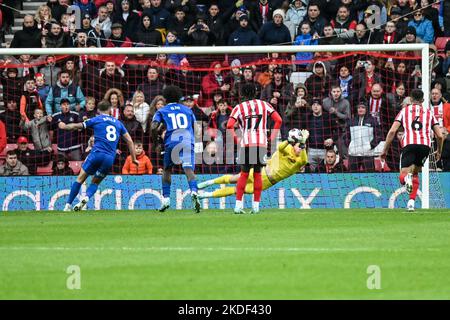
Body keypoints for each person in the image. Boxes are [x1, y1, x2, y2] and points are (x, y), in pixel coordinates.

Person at [59, 100, 138, 211]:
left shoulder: (96, 119)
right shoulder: (118, 123)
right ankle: (86, 197)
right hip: (109, 158)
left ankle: (67, 205)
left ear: (99, 110)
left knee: (80, 179)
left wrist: (64, 126)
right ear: (110, 110)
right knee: (95, 182)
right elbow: (129, 141)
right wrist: (134, 159)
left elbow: (77, 126)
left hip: (96, 154)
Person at [199, 129, 309, 199]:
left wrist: (303, 142)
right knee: (234, 178)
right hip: (260, 172)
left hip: (267, 183)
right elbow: (280, 147)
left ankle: (205, 195)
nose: (299, 149)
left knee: (236, 190)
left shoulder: (300, 161)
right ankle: (208, 182)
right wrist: (288, 141)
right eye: (298, 146)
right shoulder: (287, 148)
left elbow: (304, 160)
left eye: (301, 148)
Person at [380, 89, 444, 211]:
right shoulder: (429, 112)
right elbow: (440, 136)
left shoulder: (404, 111)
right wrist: (439, 152)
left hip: (409, 144)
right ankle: (411, 203)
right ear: (423, 100)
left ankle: (406, 180)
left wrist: (385, 150)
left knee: (403, 175)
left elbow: (392, 131)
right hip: (425, 146)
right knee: (414, 173)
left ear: (410, 99)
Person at [226, 83, 283, 214]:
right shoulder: (265, 105)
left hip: (246, 143)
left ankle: (238, 206)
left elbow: (229, 125)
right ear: (256, 92)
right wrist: (272, 137)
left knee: (244, 174)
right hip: (261, 143)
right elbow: (278, 120)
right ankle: (256, 206)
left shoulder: (239, 107)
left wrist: (237, 139)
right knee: (257, 174)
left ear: (242, 94)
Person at [150, 85, 201, 213]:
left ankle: (166, 199)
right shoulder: (188, 110)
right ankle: (194, 191)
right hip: (187, 141)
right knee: (188, 169)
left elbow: (153, 127)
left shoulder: (162, 110)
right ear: (179, 98)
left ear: (165, 98)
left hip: (171, 142)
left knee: (167, 169)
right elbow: (197, 129)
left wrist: (156, 142)